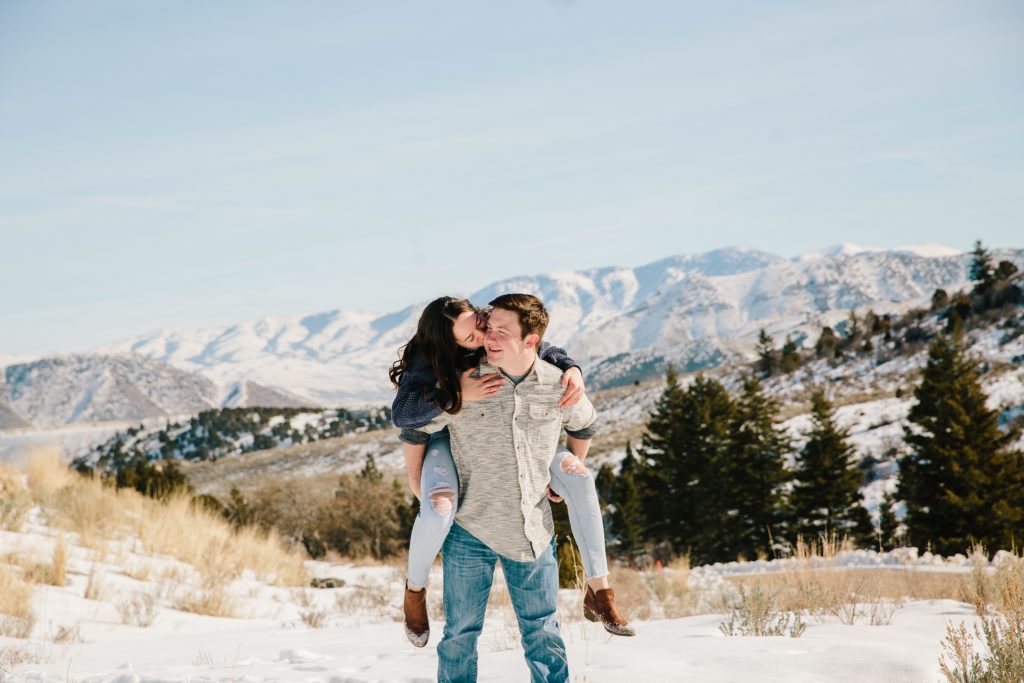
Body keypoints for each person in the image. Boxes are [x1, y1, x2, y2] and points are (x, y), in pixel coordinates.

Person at [395, 294, 632, 683]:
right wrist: (417, 479)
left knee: (543, 634)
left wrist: (570, 464)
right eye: (482, 331)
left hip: (531, 533)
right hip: (471, 529)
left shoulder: (556, 383)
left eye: (493, 329)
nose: (485, 337)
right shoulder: (461, 378)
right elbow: (410, 424)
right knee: (459, 636)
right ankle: (413, 591)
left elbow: (584, 424)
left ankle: (601, 589)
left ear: (530, 340)